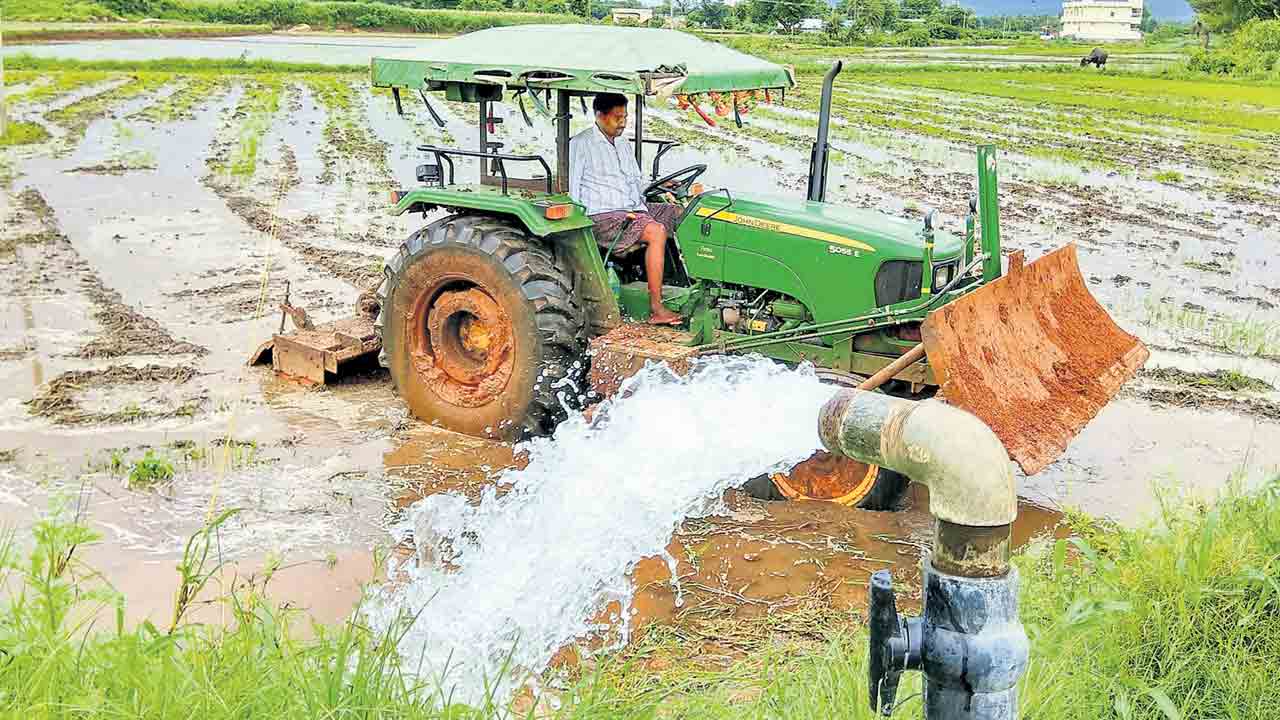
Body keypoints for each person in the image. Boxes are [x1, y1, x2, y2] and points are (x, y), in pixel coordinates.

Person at [569, 93, 682, 326]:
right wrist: (578, 224)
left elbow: (635, 181)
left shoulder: (622, 143)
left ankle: (690, 284)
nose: (622, 123)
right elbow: (572, 187)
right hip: (603, 216)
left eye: (625, 117)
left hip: (634, 208)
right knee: (656, 231)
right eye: (617, 117)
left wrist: (660, 184)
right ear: (600, 116)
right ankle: (657, 308)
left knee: (682, 214)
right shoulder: (580, 144)